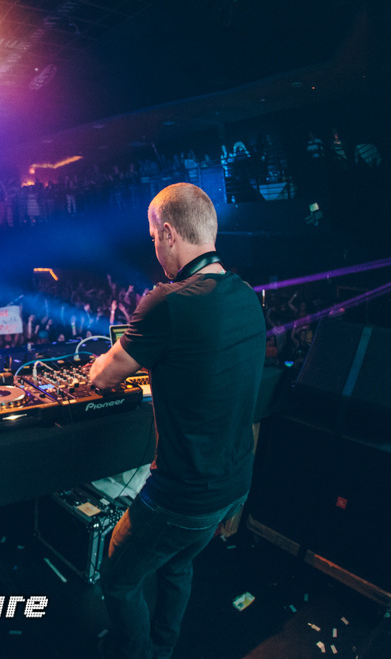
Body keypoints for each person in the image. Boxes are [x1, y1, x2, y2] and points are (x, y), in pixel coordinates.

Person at [88, 183, 266, 659]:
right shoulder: (247, 296)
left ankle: (136, 653)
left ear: (168, 233)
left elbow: (104, 376)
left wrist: (101, 363)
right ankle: (163, 647)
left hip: (182, 495)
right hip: (235, 485)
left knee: (118, 576)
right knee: (177, 563)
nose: (154, 248)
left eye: (153, 238)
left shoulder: (167, 301)